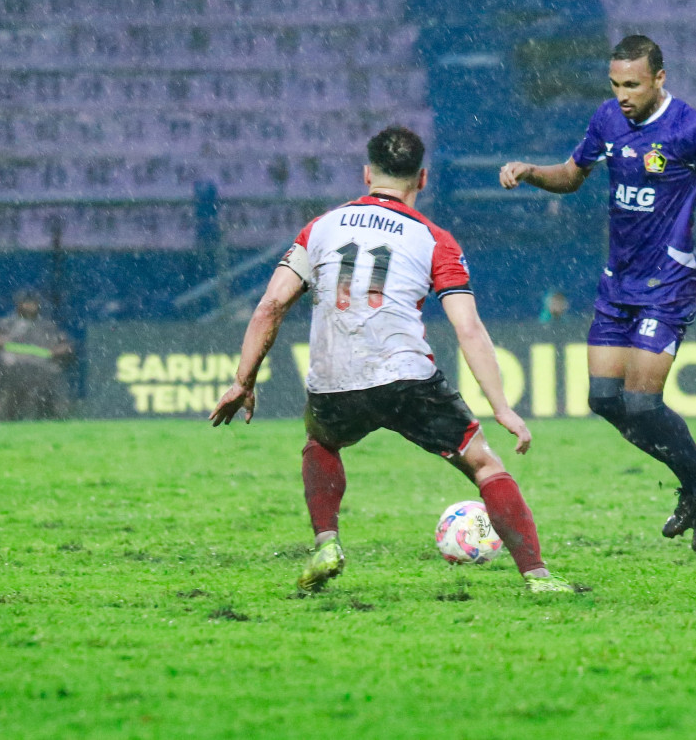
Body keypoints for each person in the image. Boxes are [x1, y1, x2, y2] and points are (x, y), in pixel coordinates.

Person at [211, 125, 575, 593]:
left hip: (334, 377)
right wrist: (502, 407)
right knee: (485, 466)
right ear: (422, 180)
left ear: (367, 175)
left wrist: (244, 380)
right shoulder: (434, 239)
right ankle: (538, 577)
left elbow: (271, 305)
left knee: (321, 443)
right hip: (406, 378)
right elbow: (468, 328)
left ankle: (326, 541)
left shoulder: (320, 228)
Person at [499, 35, 696, 551]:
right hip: (617, 283)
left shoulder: (690, 128)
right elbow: (573, 176)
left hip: (669, 281)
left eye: (633, 85)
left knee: (642, 404)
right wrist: (531, 172)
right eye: (616, 84)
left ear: (660, 79)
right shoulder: (607, 119)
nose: (622, 94)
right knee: (603, 399)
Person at [0, 290, 74, 420]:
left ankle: (48, 419)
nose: (30, 306)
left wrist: (60, 349)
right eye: (26, 303)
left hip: (41, 372)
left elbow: (65, 345)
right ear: (19, 304)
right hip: (11, 372)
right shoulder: (6, 324)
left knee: (46, 404)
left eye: (33, 303)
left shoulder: (47, 326)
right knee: (10, 408)